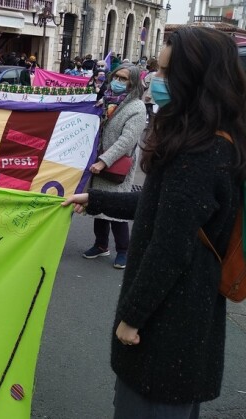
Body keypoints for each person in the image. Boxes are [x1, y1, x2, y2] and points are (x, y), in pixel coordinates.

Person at [63, 26, 246, 419]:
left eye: (165, 73)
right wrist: (95, 199)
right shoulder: (216, 138)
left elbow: (170, 245)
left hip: (167, 325)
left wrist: (133, 317)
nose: (154, 82)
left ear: (195, 81)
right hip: (188, 317)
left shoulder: (198, 152)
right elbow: (161, 205)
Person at [83, 63, 145, 269]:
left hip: (116, 165)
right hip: (99, 162)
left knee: (117, 209)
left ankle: (123, 251)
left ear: (133, 83)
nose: (118, 82)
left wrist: (104, 161)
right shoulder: (107, 99)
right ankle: (101, 245)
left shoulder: (136, 107)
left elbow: (127, 140)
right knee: (99, 205)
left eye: (124, 79)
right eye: (116, 77)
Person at [141, 58, 159, 124]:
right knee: (147, 109)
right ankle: (149, 124)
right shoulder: (150, 73)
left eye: (148, 64)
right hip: (146, 93)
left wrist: (149, 95)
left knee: (148, 109)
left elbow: (152, 85)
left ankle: (151, 124)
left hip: (148, 95)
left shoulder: (154, 74)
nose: (147, 65)